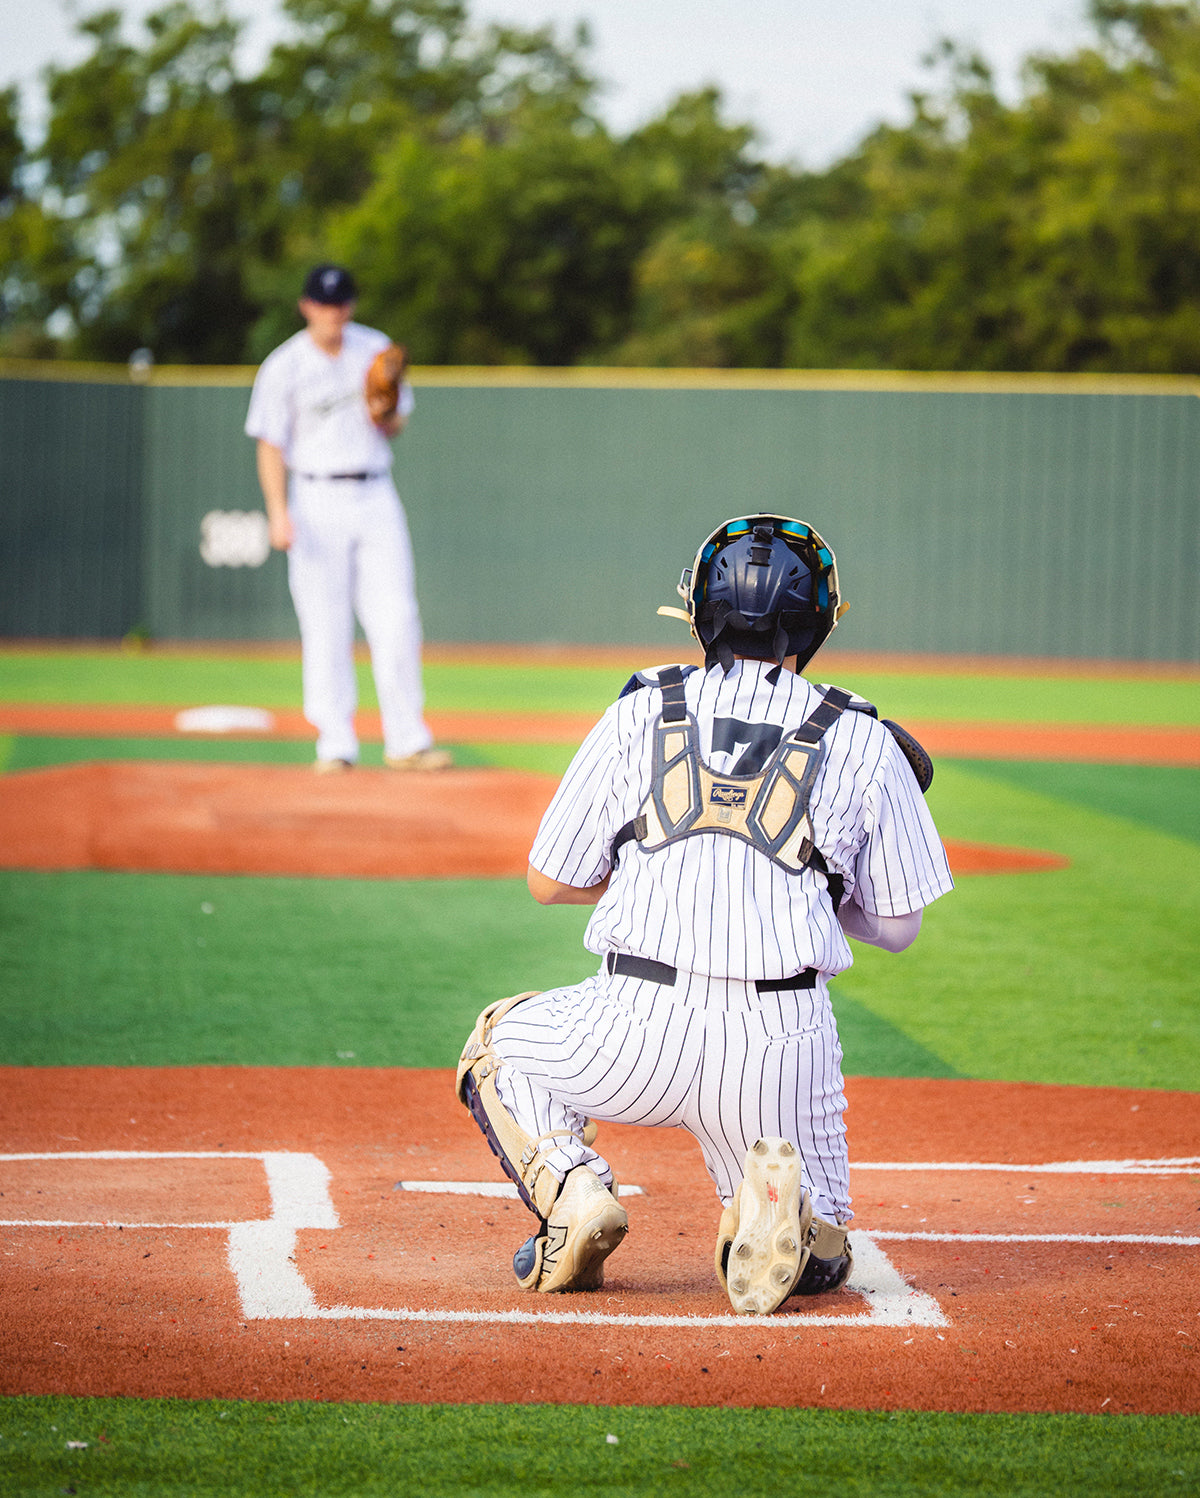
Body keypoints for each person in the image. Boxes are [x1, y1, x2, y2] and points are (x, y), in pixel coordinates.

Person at [455, 514, 954, 1313]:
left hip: (628, 1028)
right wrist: (818, 889)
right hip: (777, 1042)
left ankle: (573, 1191)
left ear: (699, 612)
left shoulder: (639, 709)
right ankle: (782, 1211)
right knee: (824, 1241)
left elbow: (549, 881)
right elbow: (897, 929)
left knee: (495, 1045)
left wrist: (646, 869)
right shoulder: (864, 738)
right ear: (818, 621)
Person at [245, 263, 449, 773]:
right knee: (324, 623)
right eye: (324, 302)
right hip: (314, 497)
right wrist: (277, 511)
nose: (333, 312)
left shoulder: (373, 347)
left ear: (350, 305)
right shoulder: (284, 365)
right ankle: (335, 743)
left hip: (375, 491)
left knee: (398, 617)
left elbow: (396, 422)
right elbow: (270, 444)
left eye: (341, 302)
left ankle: (407, 740)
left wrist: (387, 412)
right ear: (306, 305)